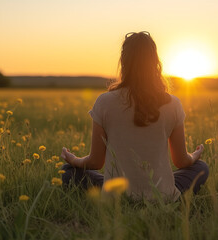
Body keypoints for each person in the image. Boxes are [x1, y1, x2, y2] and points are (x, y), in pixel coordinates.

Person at [61, 31, 209, 201]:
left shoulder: (104, 101)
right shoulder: (173, 103)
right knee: (201, 167)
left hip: (116, 194)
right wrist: (195, 155)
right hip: (161, 196)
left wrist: (74, 160)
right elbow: (182, 162)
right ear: (155, 62)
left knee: (67, 171)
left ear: (124, 62)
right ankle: (165, 191)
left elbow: (95, 163)